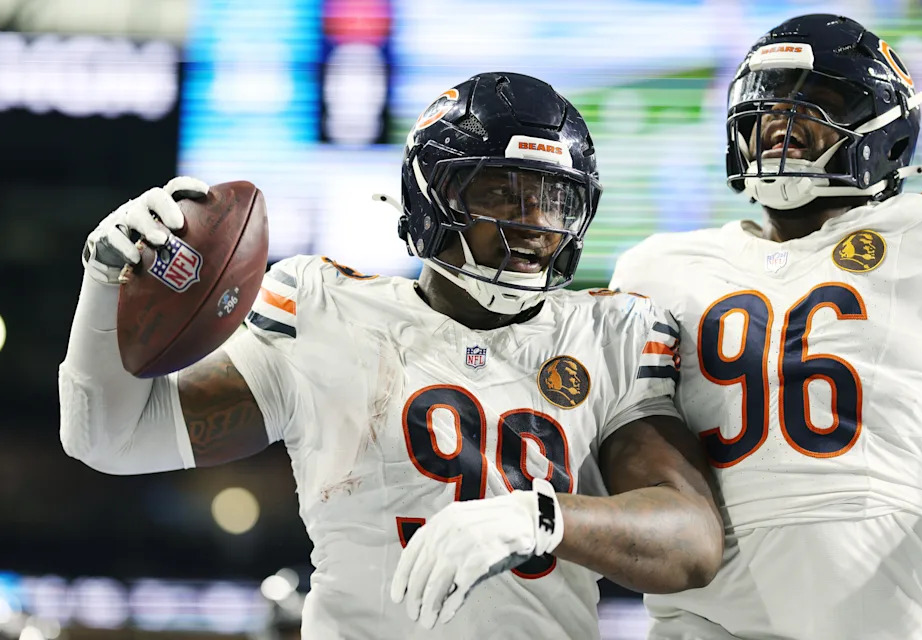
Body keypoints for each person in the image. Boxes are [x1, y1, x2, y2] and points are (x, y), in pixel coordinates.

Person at [59, 71, 724, 639]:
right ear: (427, 197)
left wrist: (539, 515)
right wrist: (105, 283)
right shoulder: (325, 309)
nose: (530, 225)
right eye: (498, 192)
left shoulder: (607, 332)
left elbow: (691, 542)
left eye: (552, 199)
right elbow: (112, 438)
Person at [611, 14, 922, 640]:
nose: (781, 122)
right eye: (769, 105)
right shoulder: (657, 267)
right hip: (705, 608)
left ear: (888, 134)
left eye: (818, 101)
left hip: (879, 603)